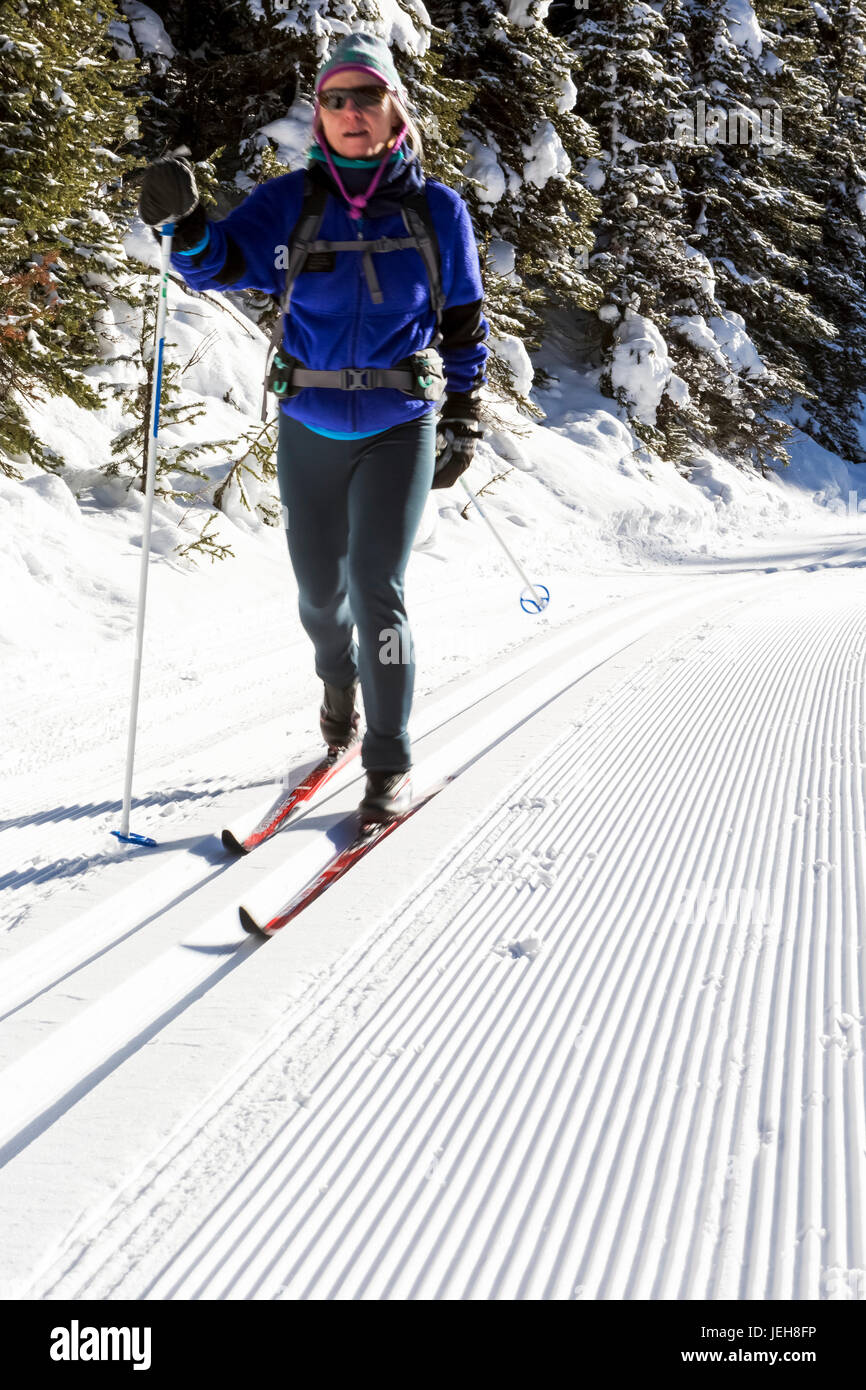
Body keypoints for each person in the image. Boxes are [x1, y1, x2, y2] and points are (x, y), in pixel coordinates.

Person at [139, 32, 489, 823]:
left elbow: (465, 321)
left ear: (396, 109)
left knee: (378, 588)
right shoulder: (291, 202)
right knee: (319, 597)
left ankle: (388, 761)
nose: (351, 112)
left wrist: (465, 414)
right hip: (308, 426)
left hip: (400, 426)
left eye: (368, 96)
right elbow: (217, 262)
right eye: (336, 99)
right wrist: (186, 221)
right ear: (320, 116)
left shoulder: (439, 211)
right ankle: (339, 681)